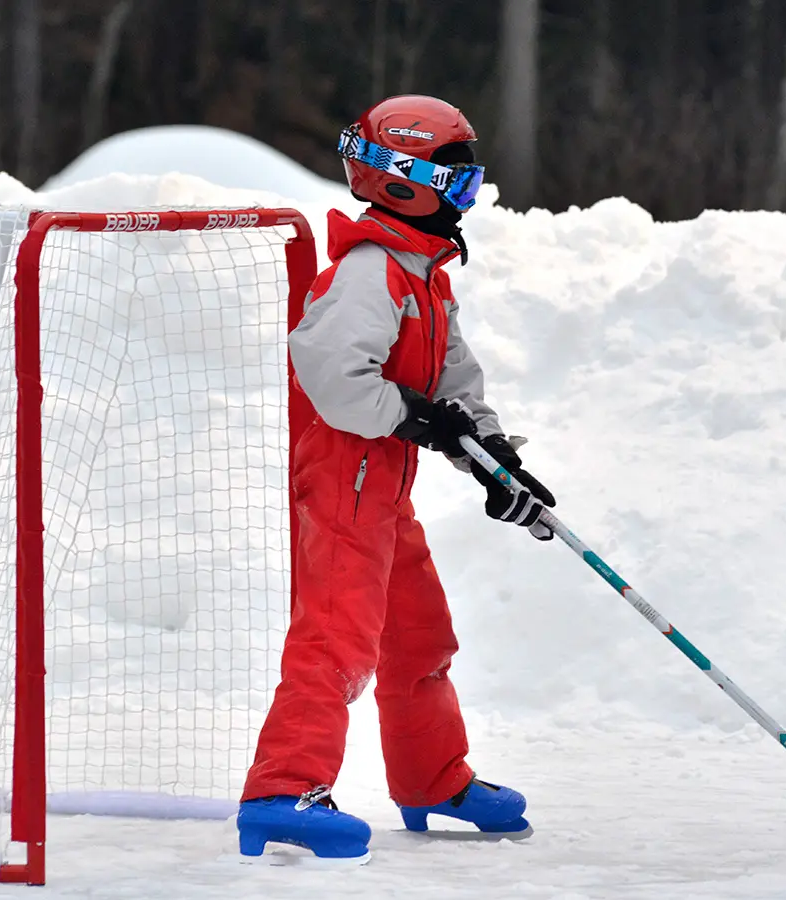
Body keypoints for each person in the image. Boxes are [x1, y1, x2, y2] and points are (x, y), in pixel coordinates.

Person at [235, 94, 557, 863]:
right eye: (459, 180)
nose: (467, 196)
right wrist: (417, 420)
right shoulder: (371, 271)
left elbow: (452, 377)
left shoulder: (423, 273)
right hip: (345, 477)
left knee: (419, 637)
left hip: (382, 481)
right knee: (337, 638)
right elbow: (330, 373)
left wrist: (495, 460)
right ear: (407, 181)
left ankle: (431, 780)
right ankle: (281, 791)